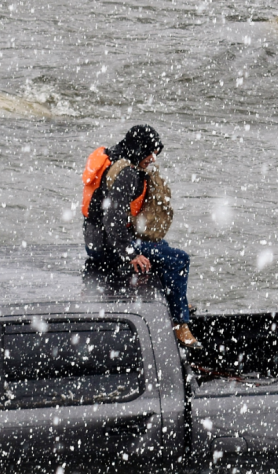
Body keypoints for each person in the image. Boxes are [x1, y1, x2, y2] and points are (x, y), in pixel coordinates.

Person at [81, 124, 197, 346]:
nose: (153, 159)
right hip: (107, 246)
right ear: (138, 149)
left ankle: (178, 300)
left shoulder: (114, 156)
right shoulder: (126, 174)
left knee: (161, 246)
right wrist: (130, 253)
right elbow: (112, 218)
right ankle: (180, 323)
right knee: (179, 259)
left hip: (95, 241)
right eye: (150, 153)